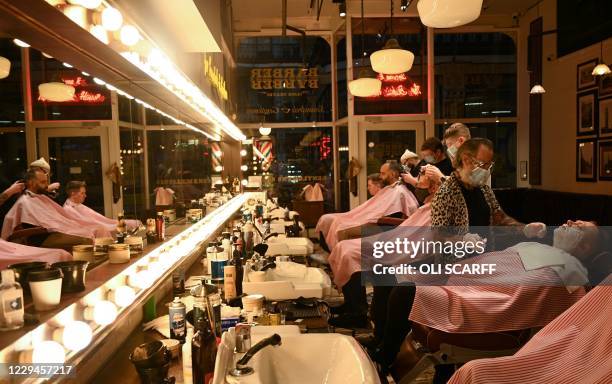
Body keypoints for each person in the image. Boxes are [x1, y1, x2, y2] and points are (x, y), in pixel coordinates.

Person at [369, 219, 608, 378]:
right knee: (387, 274)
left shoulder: (568, 273)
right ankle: (380, 342)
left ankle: (386, 359)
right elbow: (491, 265)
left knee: (405, 292)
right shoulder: (534, 247)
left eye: (579, 226)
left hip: (481, 304)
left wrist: (467, 290)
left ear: (585, 248)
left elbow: (519, 301)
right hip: (463, 285)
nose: (569, 221)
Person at [315, 161, 419, 252]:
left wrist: (369, 219)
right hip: (374, 221)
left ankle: (335, 261)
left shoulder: (400, 191)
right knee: (339, 222)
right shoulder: (389, 189)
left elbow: (409, 211)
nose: (380, 177)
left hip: (383, 226)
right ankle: (333, 259)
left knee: (343, 229)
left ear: (393, 174)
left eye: (383, 174)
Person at [1, 168, 111, 250]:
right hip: (41, 238)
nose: (47, 185)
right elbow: (13, 227)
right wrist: (48, 228)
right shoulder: (24, 202)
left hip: (51, 233)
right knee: (85, 239)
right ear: (31, 183)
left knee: (86, 233)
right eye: (43, 182)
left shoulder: (41, 198)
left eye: (46, 181)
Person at [63, 181, 141, 232]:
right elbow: (87, 224)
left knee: (134, 223)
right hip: (93, 230)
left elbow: (99, 219)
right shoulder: (68, 209)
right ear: (73, 193)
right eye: (82, 193)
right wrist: (110, 226)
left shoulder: (78, 205)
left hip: (100, 225)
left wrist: (111, 223)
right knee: (127, 225)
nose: (85, 196)